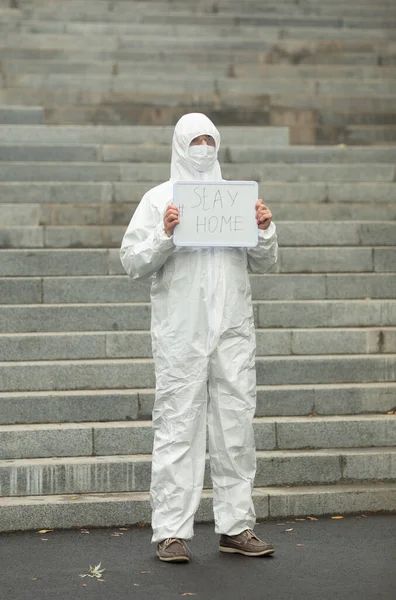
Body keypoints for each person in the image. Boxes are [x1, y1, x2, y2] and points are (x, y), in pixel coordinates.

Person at [120, 113, 278, 563]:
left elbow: (266, 261)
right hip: (181, 333)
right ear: (180, 145)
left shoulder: (236, 199)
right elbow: (132, 260)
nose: (204, 147)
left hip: (231, 329)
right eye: (196, 140)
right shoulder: (158, 200)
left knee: (235, 427)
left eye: (210, 139)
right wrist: (165, 234)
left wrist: (264, 228)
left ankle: (237, 526)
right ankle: (170, 531)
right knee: (177, 426)